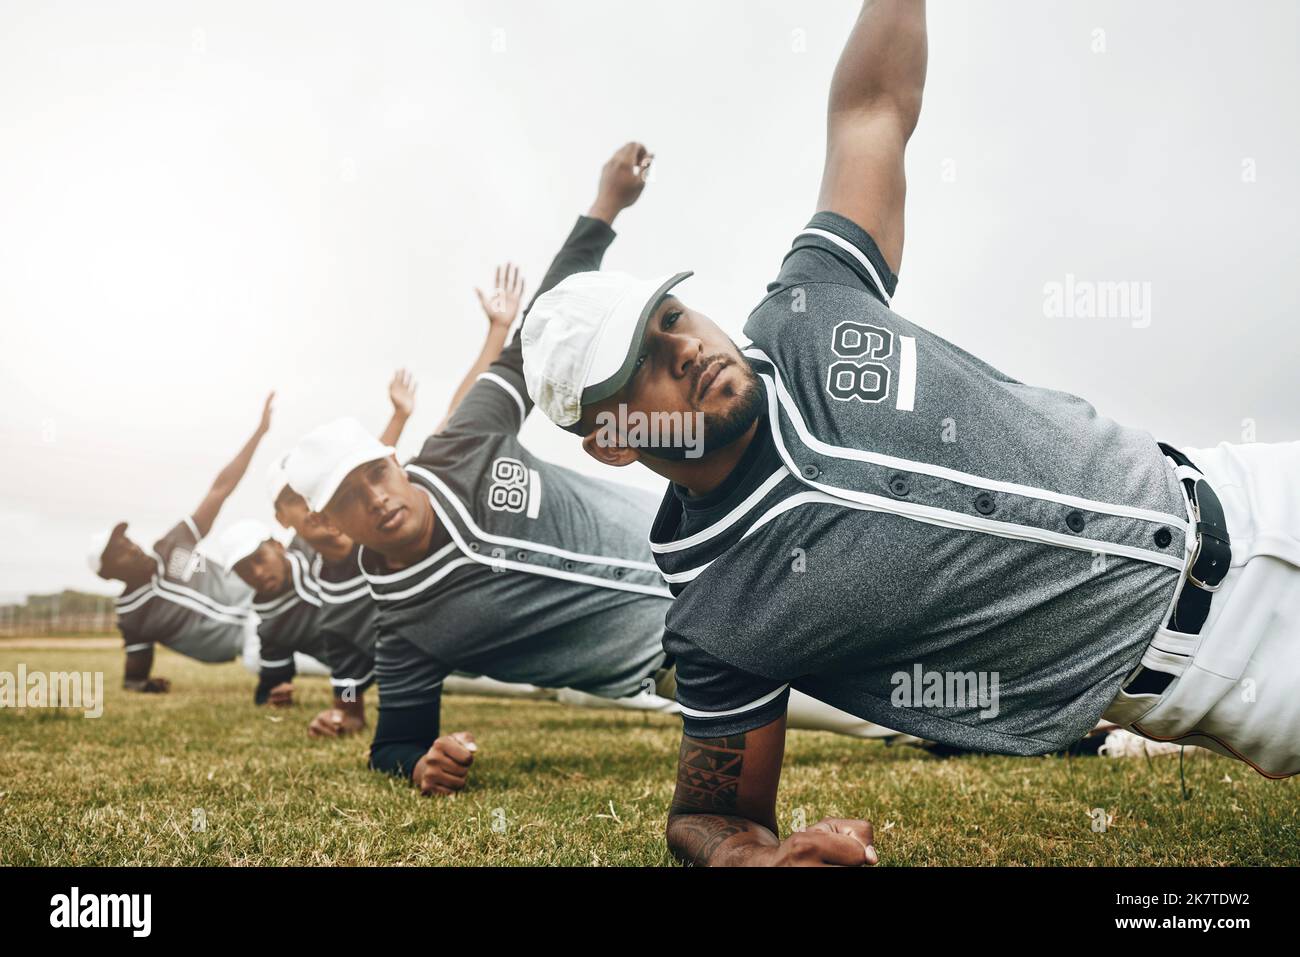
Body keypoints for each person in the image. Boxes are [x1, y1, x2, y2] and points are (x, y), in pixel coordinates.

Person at [521, 0, 1299, 867]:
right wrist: (754, 859)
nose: (685, 347)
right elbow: (707, 813)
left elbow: (871, 110)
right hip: (1220, 674)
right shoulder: (717, 613)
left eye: (670, 315)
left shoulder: (809, 307)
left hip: (1250, 484)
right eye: (642, 365)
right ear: (614, 440)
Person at [284, 143, 677, 797]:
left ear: (392, 457)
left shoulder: (462, 441)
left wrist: (604, 206)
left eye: (374, 473)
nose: (376, 498)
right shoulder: (402, 627)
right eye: (351, 499)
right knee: (860, 699)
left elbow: (536, 332)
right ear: (334, 523)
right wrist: (417, 764)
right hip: (672, 657)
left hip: (686, 528)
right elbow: (395, 742)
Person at [89, 393, 274, 692]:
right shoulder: (134, 614)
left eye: (126, 540)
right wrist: (142, 685)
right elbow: (133, 678)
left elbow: (220, 489)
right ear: (107, 574)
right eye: (118, 552)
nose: (131, 547)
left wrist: (259, 432)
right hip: (254, 641)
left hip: (274, 599)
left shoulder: (172, 547)